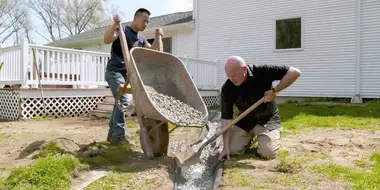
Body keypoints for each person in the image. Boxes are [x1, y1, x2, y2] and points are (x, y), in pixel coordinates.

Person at [218, 56, 301, 160]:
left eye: (233, 75)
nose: (231, 79)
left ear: (244, 69)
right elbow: (226, 120)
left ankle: (272, 134)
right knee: (232, 150)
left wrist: (275, 91)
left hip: (267, 119)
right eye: (228, 76)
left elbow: (295, 72)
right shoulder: (227, 88)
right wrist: (225, 147)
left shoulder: (262, 72)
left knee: (267, 154)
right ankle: (249, 139)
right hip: (245, 122)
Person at [104, 8, 164, 146]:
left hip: (128, 76)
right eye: (144, 20)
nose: (146, 24)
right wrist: (114, 24)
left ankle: (112, 134)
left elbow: (156, 52)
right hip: (115, 72)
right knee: (124, 100)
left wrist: (158, 36)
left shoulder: (141, 39)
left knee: (119, 102)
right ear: (136, 18)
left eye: (148, 22)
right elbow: (107, 39)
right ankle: (118, 136)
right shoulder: (123, 30)